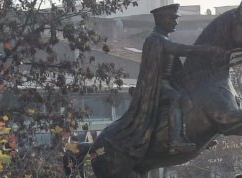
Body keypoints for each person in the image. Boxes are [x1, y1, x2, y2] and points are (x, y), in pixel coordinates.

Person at [94, 4, 226, 157]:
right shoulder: (154, 39)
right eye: (172, 19)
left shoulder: (164, 38)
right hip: (158, 85)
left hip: (170, 83)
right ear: (162, 19)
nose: (175, 22)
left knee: (193, 95)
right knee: (175, 98)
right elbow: (182, 49)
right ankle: (174, 141)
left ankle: (196, 134)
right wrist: (207, 49)